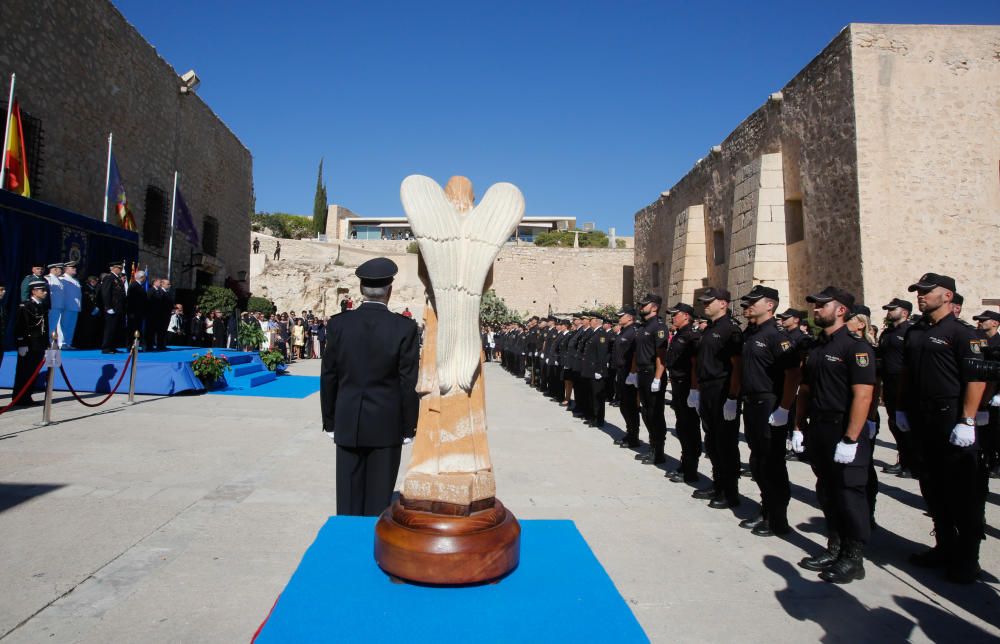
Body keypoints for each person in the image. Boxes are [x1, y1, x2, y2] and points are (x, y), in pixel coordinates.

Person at [897, 273, 986, 583]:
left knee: (963, 492)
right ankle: (944, 546)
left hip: (951, 417)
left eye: (927, 292)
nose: (921, 296)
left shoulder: (963, 333)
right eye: (919, 292)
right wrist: (902, 408)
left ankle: (968, 558)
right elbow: (907, 372)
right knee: (932, 487)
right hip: (923, 418)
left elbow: (976, 379)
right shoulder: (916, 331)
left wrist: (968, 420)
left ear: (947, 296)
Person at [321, 257, 419, 516]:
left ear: (361, 289)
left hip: (348, 419)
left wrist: (330, 421)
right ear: (390, 290)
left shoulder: (339, 324)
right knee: (379, 498)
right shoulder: (404, 327)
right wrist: (409, 425)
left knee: (348, 496)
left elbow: (329, 375)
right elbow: (407, 381)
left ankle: (347, 546)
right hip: (387, 422)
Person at [795, 286, 875, 584]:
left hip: (844, 427)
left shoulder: (855, 347)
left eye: (821, 306)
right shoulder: (818, 346)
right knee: (827, 490)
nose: (816, 311)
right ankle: (835, 546)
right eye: (815, 306)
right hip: (820, 427)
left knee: (849, 493)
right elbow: (805, 388)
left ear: (840, 310)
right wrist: (799, 425)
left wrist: (851, 439)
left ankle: (854, 558)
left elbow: (863, 396)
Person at [690, 287, 744, 509]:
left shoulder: (730, 330)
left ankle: (730, 492)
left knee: (725, 444)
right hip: (708, 389)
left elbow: (737, 366)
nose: (705, 305)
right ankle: (718, 483)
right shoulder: (710, 328)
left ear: (723, 303)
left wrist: (732, 396)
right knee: (712, 441)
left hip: (722, 389)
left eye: (709, 302)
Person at [627, 294, 669, 465]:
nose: (641, 307)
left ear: (654, 307)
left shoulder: (658, 327)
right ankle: (652, 447)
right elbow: (637, 352)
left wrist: (658, 378)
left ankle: (658, 452)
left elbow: (661, 355)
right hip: (643, 373)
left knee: (655, 413)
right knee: (646, 412)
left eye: (644, 305)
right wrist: (634, 372)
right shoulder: (644, 327)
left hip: (653, 372)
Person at [663, 302, 702, 484]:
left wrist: (694, 389)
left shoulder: (692, 336)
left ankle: (690, 469)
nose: (672, 317)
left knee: (689, 428)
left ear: (686, 316)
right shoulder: (679, 334)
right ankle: (685, 462)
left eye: (675, 314)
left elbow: (695, 365)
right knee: (682, 427)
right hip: (678, 385)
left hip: (687, 386)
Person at [972, 310, 1000, 479]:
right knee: (982, 431)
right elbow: (975, 361)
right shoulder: (978, 339)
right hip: (981, 389)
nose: (980, 323)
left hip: (996, 393)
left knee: (996, 430)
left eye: (984, 320)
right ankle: (984, 458)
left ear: (995, 323)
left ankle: (996, 461)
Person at [12, 280, 49, 406]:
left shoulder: (42, 305)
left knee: (34, 372)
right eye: (42, 290)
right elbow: (20, 325)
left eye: (45, 290)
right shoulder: (25, 306)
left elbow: (45, 326)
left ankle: (27, 396)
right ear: (34, 291)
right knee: (24, 372)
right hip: (28, 344)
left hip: (39, 344)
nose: (45, 292)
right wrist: (21, 343)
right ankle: (19, 397)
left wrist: (47, 343)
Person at [613, 307, 640, 448]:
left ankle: (633, 437)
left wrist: (633, 373)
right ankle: (630, 433)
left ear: (630, 318)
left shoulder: (634, 332)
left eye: (621, 316)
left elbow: (635, 354)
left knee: (630, 406)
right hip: (621, 372)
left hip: (629, 373)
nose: (619, 318)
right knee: (623, 405)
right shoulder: (624, 331)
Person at [99, 262, 126, 354]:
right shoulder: (109, 277)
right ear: (113, 268)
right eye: (119, 268)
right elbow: (106, 293)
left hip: (118, 307)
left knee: (116, 328)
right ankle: (106, 347)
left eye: (121, 268)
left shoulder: (117, 278)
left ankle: (112, 346)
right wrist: (108, 306)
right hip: (112, 307)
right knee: (110, 328)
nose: (120, 269)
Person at [59, 261, 82, 349]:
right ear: (66, 269)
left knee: (71, 326)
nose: (75, 269)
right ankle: (62, 343)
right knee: (64, 325)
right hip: (66, 306)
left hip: (75, 306)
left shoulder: (75, 280)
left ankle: (68, 343)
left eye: (75, 267)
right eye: (72, 268)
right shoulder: (62, 279)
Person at [45, 263, 65, 346]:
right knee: (49, 325)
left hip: (58, 306)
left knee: (53, 326)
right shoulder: (48, 279)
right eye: (59, 269)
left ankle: (50, 342)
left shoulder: (59, 279)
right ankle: (47, 342)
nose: (61, 271)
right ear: (54, 269)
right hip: (52, 306)